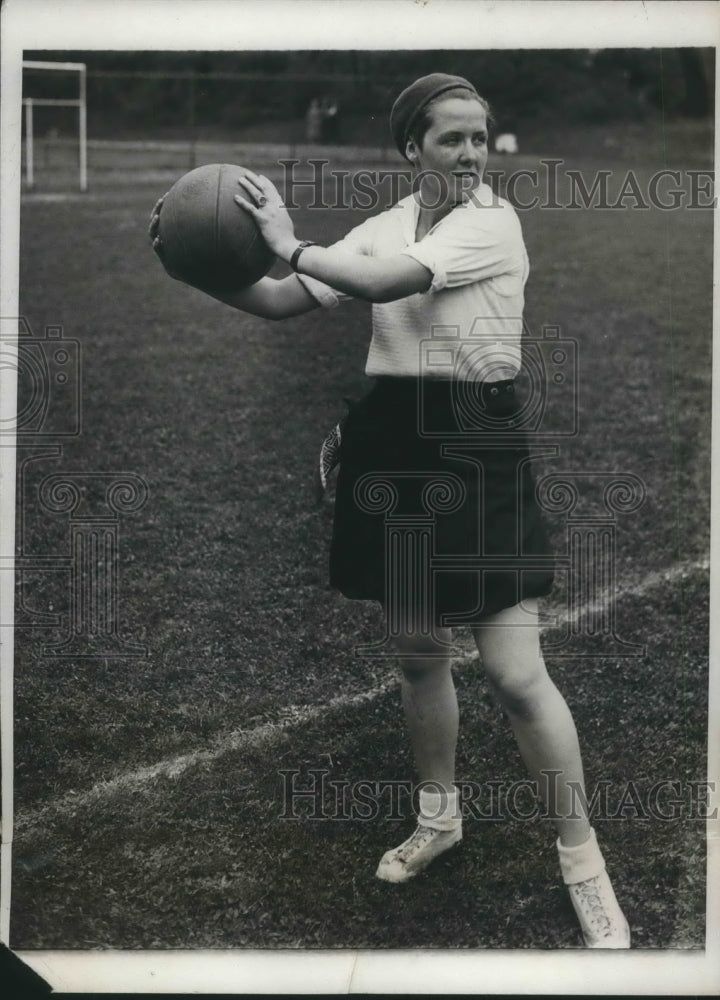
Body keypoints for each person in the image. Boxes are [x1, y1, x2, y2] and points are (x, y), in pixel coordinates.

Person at [149, 73, 630, 949]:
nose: (472, 153)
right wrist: (195, 266)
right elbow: (280, 299)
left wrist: (289, 243)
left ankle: (583, 861)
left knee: (518, 676)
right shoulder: (380, 226)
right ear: (414, 148)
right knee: (417, 658)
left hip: (474, 450)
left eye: (480, 136)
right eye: (451, 138)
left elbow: (380, 285)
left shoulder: (492, 221)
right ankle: (439, 818)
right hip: (395, 451)